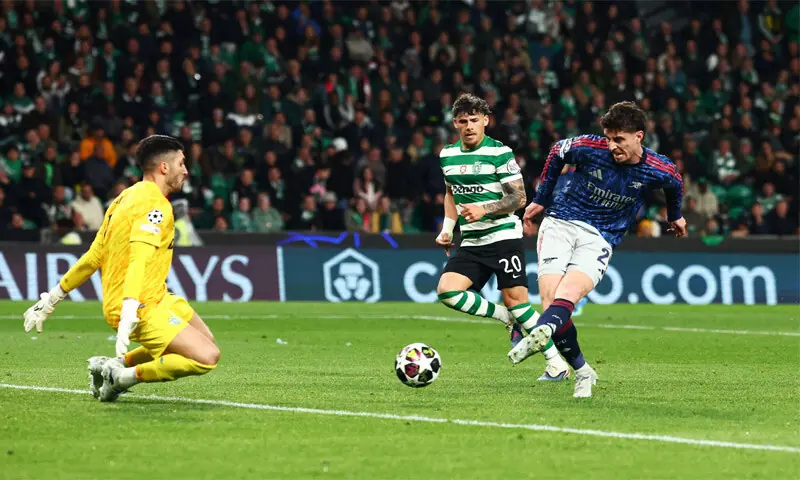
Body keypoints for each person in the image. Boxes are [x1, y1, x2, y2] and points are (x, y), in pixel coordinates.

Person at [22, 135, 220, 402]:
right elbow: (138, 257)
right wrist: (130, 308)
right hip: (139, 304)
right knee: (207, 357)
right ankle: (122, 377)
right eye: (181, 163)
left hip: (155, 296)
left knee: (205, 338)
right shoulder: (156, 206)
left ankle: (111, 365)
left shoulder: (123, 198)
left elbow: (93, 257)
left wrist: (52, 298)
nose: (186, 170)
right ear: (164, 167)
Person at [509, 101, 686, 398]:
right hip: (561, 222)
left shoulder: (658, 167)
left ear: (638, 137)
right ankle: (581, 370)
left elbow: (674, 184)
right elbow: (557, 151)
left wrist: (674, 216)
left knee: (569, 295)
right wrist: (542, 197)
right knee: (551, 298)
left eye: (619, 139)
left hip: (601, 236)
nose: (612, 145)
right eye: (609, 137)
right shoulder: (590, 147)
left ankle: (542, 333)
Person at [435, 93, 571, 381]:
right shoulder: (447, 155)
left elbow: (519, 197)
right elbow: (451, 194)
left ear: (486, 120)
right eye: (463, 121)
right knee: (447, 291)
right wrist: (448, 229)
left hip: (502, 237)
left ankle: (557, 364)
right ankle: (506, 318)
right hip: (471, 240)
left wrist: (484, 209)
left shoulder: (499, 152)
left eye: (475, 120)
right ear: (455, 124)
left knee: (518, 302)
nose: (469, 126)